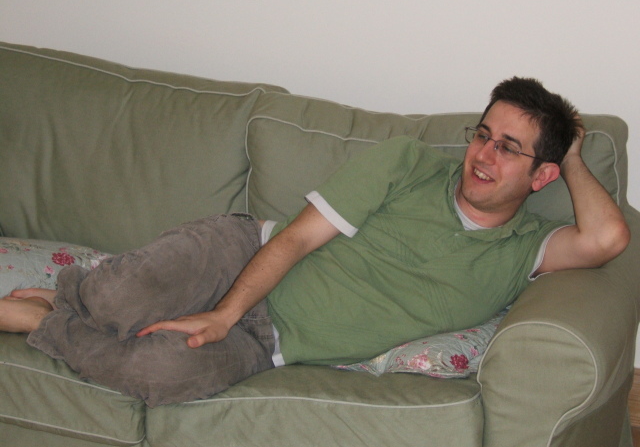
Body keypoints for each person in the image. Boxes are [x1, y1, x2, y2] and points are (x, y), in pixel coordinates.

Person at [0, 77, 630, 407]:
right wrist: (225, 311)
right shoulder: (407, 164)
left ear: (542, 175)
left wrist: (574, 155)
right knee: (117, 298)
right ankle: (77, 294)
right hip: (240, 256)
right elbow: (300, 238)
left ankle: (46, 320)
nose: (483, 155)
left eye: (509, 148)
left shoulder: (526, 248)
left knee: (159, 371)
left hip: (271, 346)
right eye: (483, 134)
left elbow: (609, 238)